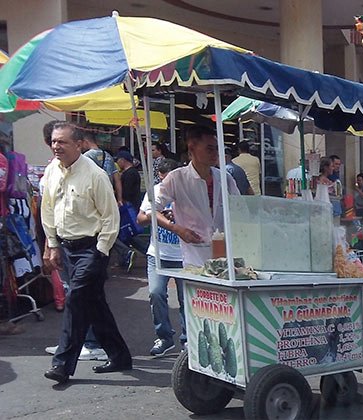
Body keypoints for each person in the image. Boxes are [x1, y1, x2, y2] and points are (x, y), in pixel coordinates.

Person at [40, 122, 132, 384]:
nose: (56, 146)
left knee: (76, 300)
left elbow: (110, 218)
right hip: (67, 248)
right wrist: (53, 245)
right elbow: (48, 211)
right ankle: (120, 356)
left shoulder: (95, 175)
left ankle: (62, 364)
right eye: (54, 142)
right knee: (94, 305)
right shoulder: (51, 171)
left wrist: (101, 252)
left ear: (78, 144)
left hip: (92, 248)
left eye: (62, 142)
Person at [152, 125, 240, 268]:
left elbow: (240, 209)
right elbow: (150, 210)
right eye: (209, 149)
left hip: (224, 260)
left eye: (217, 149)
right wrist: (177, 229)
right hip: (194, 261)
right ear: (192, 148)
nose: (215, 153)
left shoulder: (225, 178)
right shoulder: (176, 178)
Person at [137, 158, 185, 356]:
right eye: (163, 179)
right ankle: (165, 337)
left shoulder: (186, 192)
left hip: (184, 256)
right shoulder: (154, 192)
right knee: (156, 294)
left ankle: (188, 339)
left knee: (187, 300)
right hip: (157, 254)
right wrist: (155, 215)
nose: (167, 184)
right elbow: (140, 219)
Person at [82, 131, 123, 205]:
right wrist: (119, 199)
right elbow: (117, 179)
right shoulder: (108, 156)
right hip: (109, 194)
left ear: (86, 142)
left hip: (94, 196)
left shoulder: (86, 156)